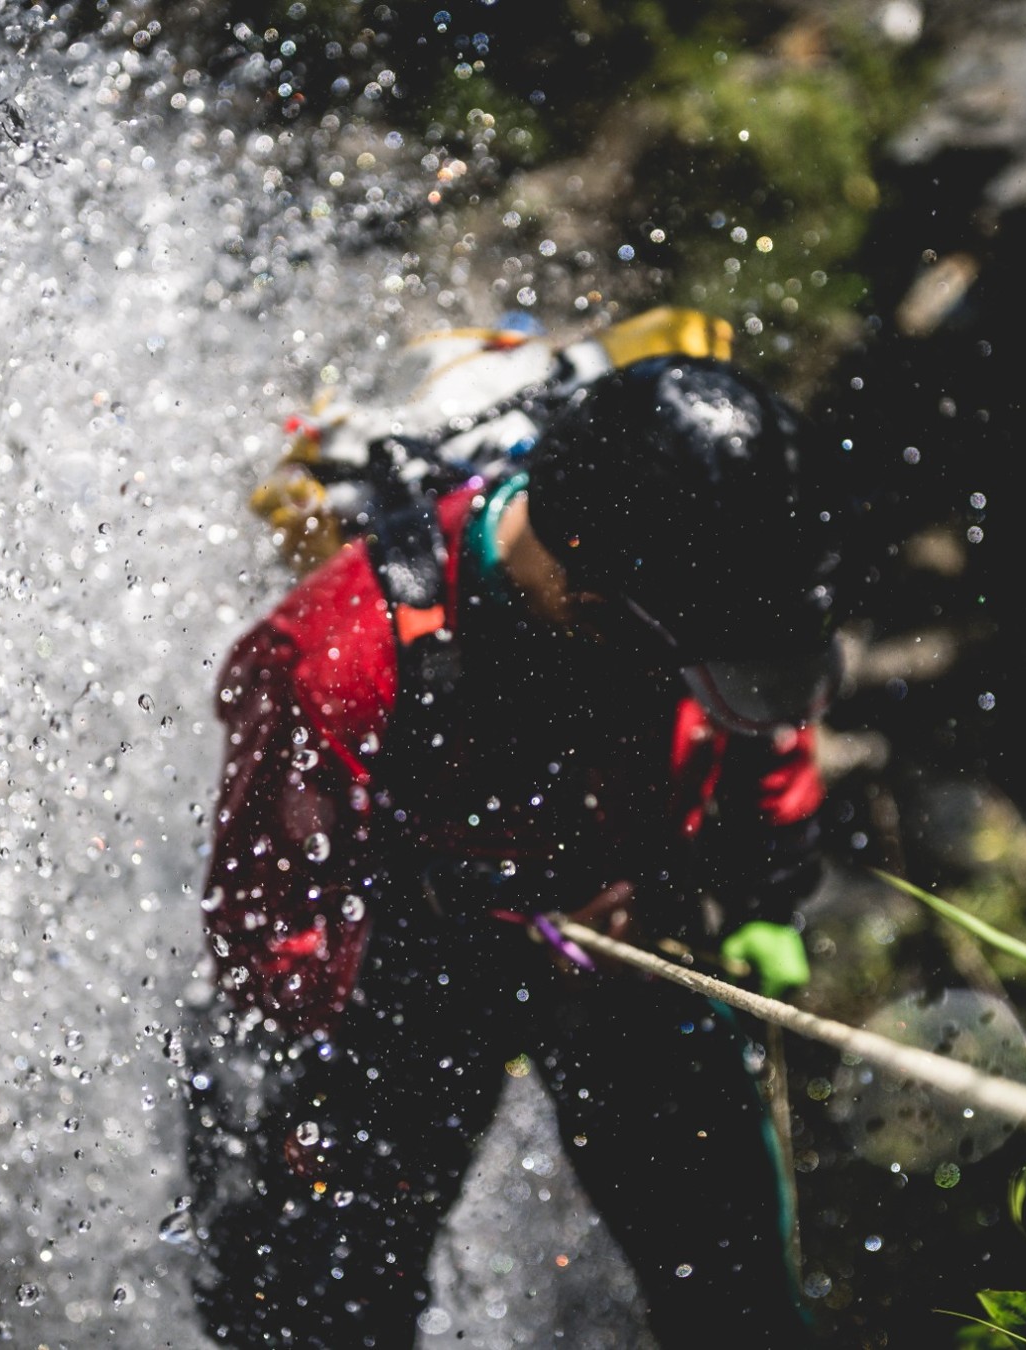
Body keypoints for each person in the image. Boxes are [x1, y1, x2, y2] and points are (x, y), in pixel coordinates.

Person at [187, 355, 850, 1348]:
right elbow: (268, 929)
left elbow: (764, 727)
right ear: (583, 580)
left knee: (740, 1307)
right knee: (325, 1317)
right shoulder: (337, 655)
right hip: (404, 988)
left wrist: (764, 894)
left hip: (628, 946)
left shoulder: (696, 594)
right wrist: (472, 929)